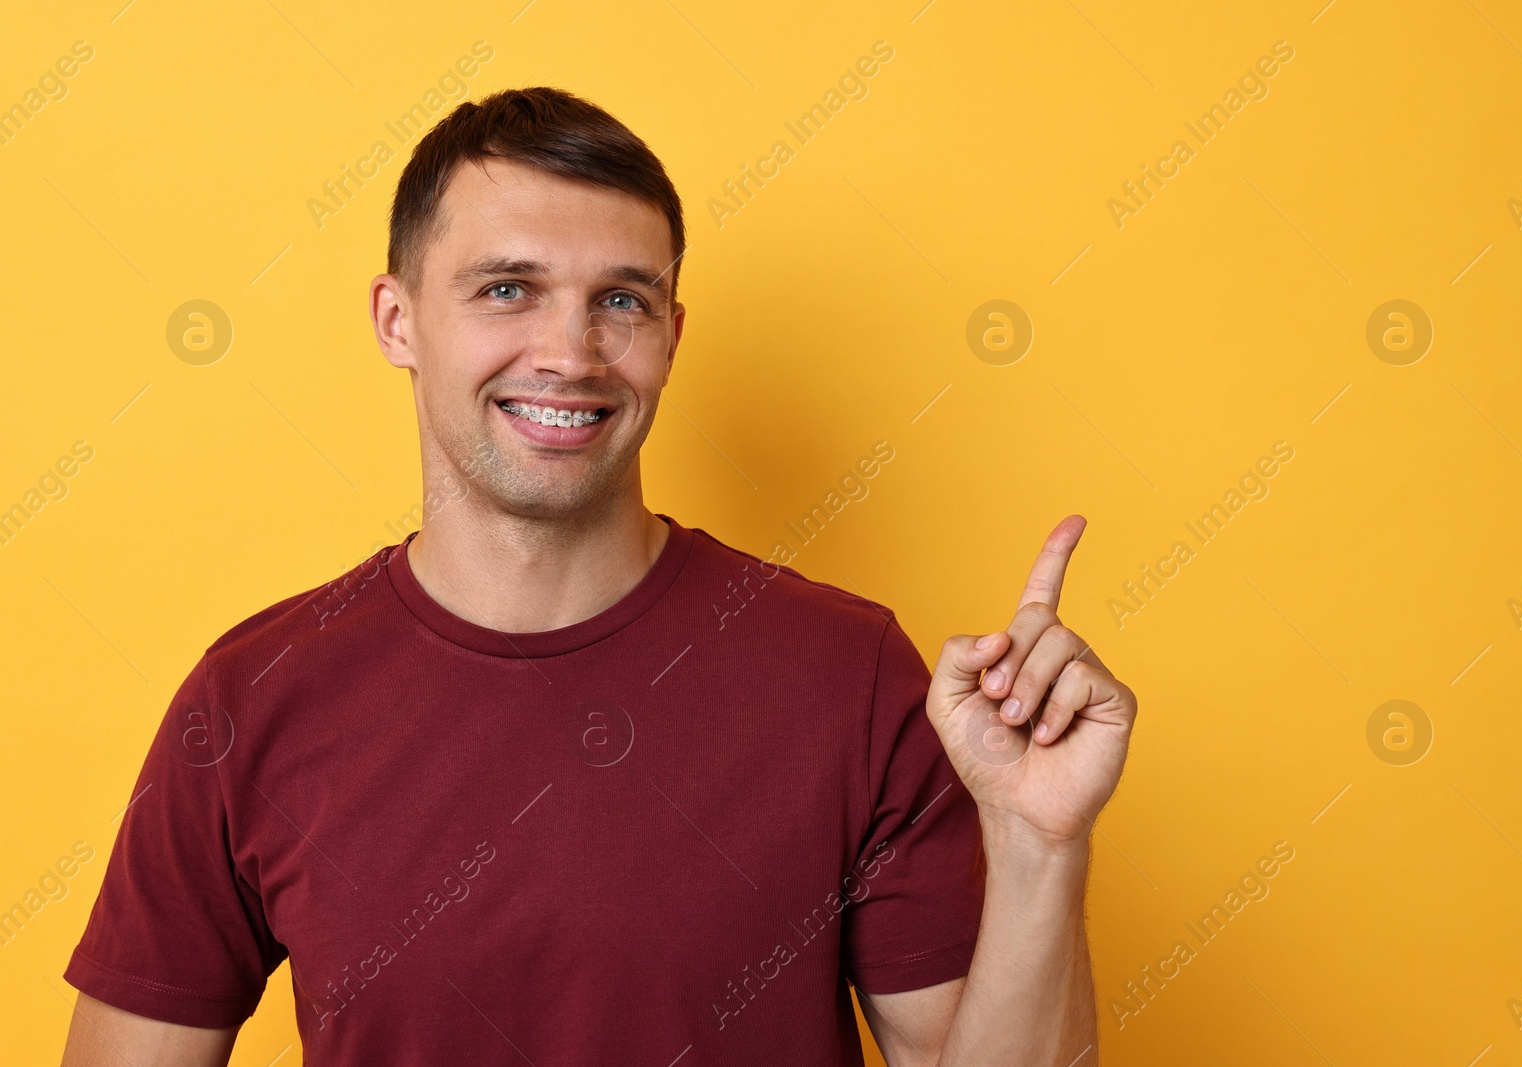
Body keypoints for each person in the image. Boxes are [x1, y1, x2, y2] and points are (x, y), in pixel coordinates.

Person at [60, 87, 1136, 1066]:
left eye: (620, 301)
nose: (569, 352)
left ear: (670, 334)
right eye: (507, 289)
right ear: (398, 321)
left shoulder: (850, 675)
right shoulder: (253, 697)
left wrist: (1042, 845)